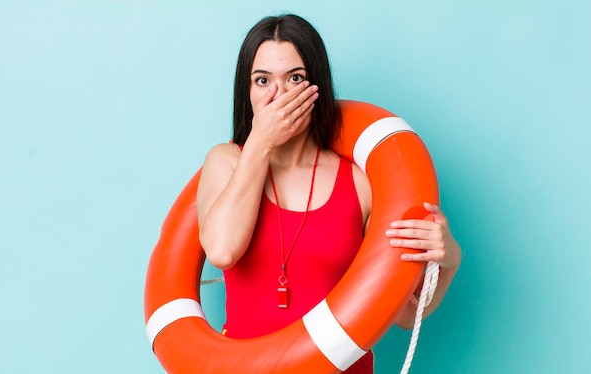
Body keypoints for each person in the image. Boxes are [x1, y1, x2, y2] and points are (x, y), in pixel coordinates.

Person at [196, 14, 461, 373]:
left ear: (317, 85)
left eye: (295, 78)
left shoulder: (359, 183)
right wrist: (260, 142)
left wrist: (448, 262)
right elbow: (222, 250)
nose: (279, 95)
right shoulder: (226, 162)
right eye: (262, 81)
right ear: (248, 92)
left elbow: (400, 314)